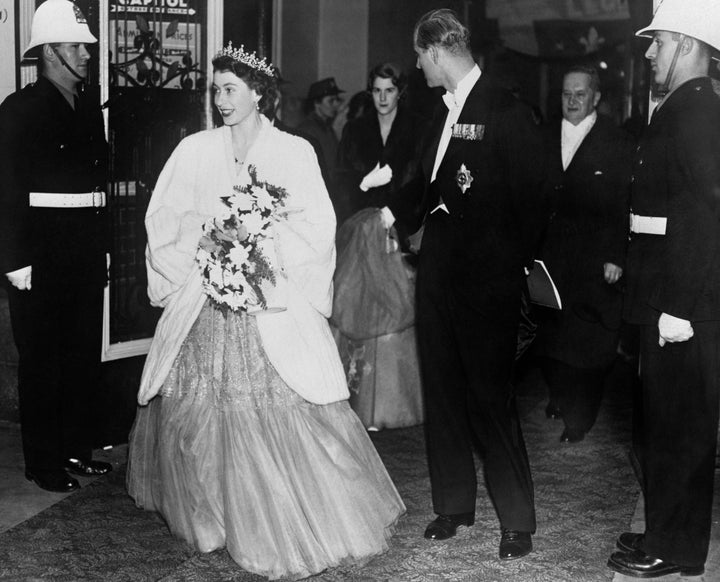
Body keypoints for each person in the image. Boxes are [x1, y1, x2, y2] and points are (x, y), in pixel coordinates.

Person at [125, 43, 405, 581]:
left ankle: (267, 516)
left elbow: (316, 227)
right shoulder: (195, 151)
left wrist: (259, 246)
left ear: (258, 92)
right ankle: (212, 516)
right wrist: (206, 241)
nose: (221, 99)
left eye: (230, 89)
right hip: (205, 302)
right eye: (215, 90)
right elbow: (166, 218)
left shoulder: (293, 151)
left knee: (272, 410)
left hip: (268, 299)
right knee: (200, 410)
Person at [378, 9, 546, 559]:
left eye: (419, 57)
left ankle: (516, 520)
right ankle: (453, 506)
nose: (418, 67)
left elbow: (534, 200)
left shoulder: (505, 107)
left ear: (435, 52)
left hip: (487, 281)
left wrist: (509, 266)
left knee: (490, 401)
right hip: (439, 274)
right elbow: (428, 186)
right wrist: (385, 209)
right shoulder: (439, 113)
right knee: (444, 392)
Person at [607, 0, 720, 578]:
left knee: (681, 429)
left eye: (659, 42)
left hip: (683, 302)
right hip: (666, 291)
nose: (649, 52)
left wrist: (678, 307)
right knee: (663, 425)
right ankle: (663, 530)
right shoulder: (682, 105)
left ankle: (676, 550)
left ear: (687, 46)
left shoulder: (697, 108)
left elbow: (707, 211)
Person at [0, 0, 111, 493]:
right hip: (39, 255)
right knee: (42, 358)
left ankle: (74, 449)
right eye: (74, 47)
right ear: (48, 53)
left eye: (85, 47)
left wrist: (104, 246)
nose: (85, 55)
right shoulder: (19, 110)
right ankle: (43, 461)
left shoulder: (88, 106)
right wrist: (13, 258)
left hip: (82, 251)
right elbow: (5, 189)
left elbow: (98, 184)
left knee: (80, 352)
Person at [535, 66, 634, 443]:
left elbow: (623, 202)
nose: (572, 101)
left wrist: (616, 256)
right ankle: (561, 395)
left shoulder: (617, 142)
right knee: (549, 339)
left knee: (588, 343)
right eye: (566, 94)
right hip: (550, 256)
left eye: (580, 94)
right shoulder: (543, 137)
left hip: (595, 259)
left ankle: (581, 416)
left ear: (595, 97)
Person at [331, 62, 426, 430]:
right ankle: (358, 402)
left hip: (400, 230)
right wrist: (363, 185)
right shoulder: (356, 129)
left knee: (396, 307)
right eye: (376, 91)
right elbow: (339, 181)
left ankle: (392, 404)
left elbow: (423, 179)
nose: (383, 98)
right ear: (369, 92)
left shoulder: (417, 127)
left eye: (389, 90)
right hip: (361, 231)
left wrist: (395, 211)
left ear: (399, 91)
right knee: (359, 304)